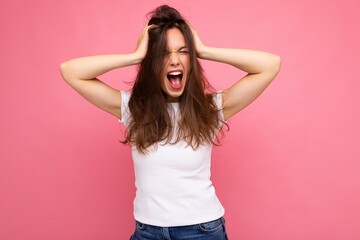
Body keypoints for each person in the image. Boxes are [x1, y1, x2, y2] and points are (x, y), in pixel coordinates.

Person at [60, 5, 281, 240]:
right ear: (152, 62)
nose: (174, 60)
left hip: (201, 231)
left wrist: (204, 50)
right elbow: (71, 71)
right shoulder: (134, 109)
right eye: (164, 53)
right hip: (147, 232)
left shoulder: (211, 109)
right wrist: (135, 56)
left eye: (183, 51)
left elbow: (270, 65)